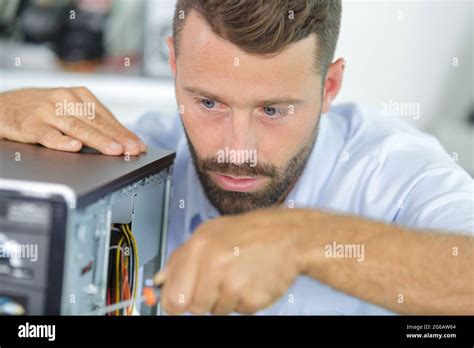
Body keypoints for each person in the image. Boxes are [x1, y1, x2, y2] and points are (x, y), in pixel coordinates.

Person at [0, 0, 472, 315]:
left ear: (329, 87)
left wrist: (302, 240)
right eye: (209, 103)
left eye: (272, 110)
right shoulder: (131, 151)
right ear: (174, 64)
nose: (236, 149)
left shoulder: (395, 171)